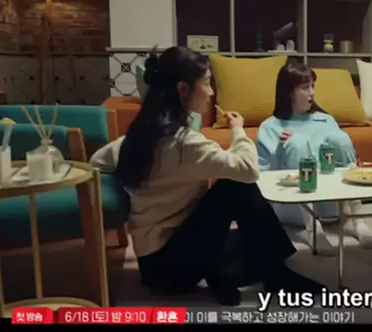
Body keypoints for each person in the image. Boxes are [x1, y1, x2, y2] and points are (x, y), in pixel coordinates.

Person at [89, 46, 324, 307]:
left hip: (155, 261)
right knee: (235, 187)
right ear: (183, 89)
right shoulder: (184, 143)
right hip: (170, 268)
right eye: (207, 83)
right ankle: (275, 277)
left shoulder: (143, 131)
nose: (212, 92)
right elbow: (248, 169)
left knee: (252, 239)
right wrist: (238, 130)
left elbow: (97, 161)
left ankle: (222, 276)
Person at [256, 61, 372, 256]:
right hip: (292, 207)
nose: (312, 93)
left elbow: (344, 162)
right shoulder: (271, 127)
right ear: (289, 92)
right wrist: (284, 148)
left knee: (340, 139)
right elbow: (263, 178)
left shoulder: (326, 120)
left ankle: (358, 220)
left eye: (313, 86)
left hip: (331, 203)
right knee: (296, 143)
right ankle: (313, 229)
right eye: (305, 88)